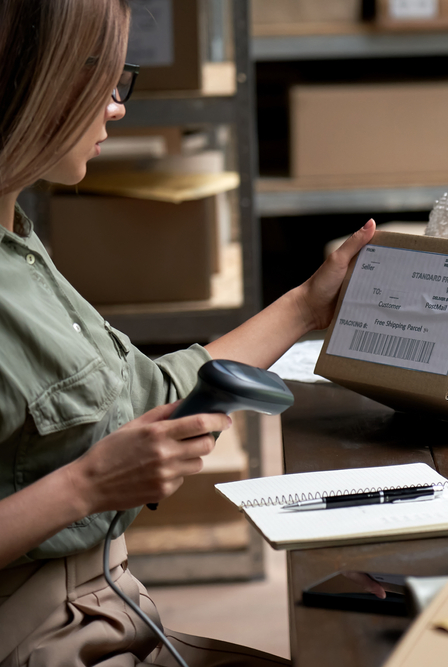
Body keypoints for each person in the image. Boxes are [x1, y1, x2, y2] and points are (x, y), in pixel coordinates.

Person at [0, 1, 377, 664]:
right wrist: (86, 484)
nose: (116, 107)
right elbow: (99, 459)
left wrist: (308, 306)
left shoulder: (19, 242)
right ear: (29, 80)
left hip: (108, 606)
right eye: (99, 81)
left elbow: (150, 391)